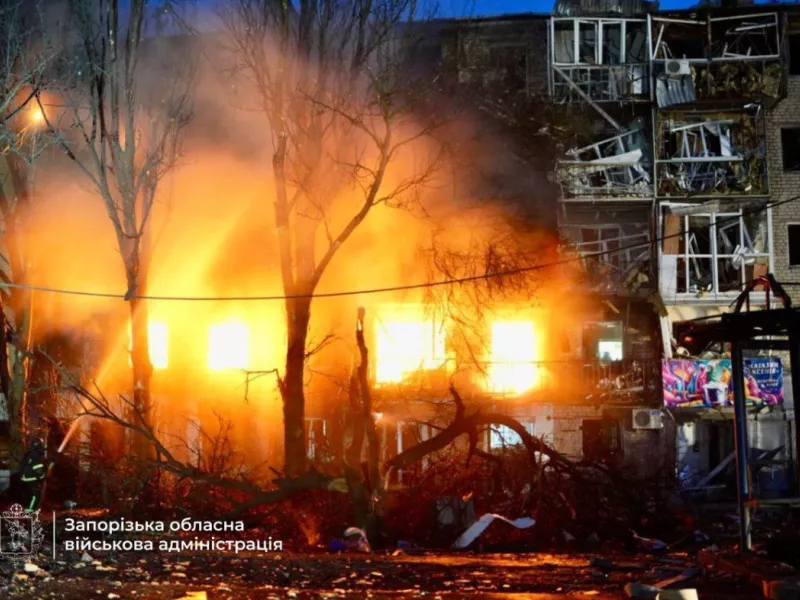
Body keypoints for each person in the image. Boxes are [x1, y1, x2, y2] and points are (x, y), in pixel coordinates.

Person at [18, 438, 48, 512]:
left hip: (24, 477)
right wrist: (42, 477)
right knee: (35, 495)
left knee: (29, 494)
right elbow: (38, 468)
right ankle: (29, 511)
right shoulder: (36, 455)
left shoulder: (29, 453)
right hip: (30, 478)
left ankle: (27, 509)